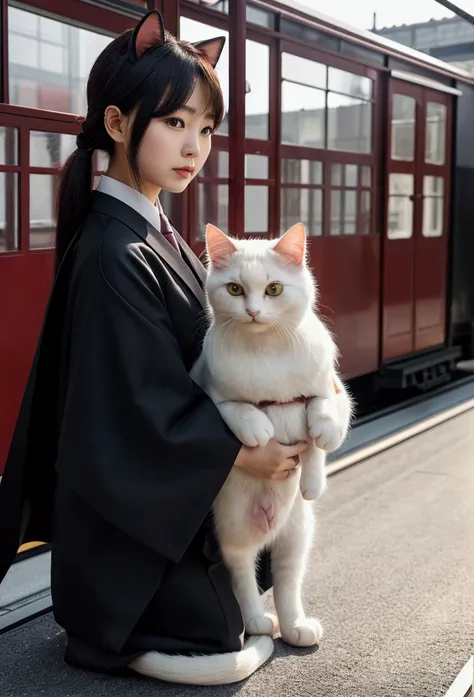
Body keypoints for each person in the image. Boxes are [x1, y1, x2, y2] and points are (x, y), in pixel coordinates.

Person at [0, 10, 307, 677]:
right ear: (117, 124)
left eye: (205, 127)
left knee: (239, 602)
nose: (194, 146)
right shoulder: (116, 249)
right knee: (221, 633)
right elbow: (141, 404)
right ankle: (118, 627)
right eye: (174, 123)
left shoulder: (147, 234)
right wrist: (244, 451)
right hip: (127, 540)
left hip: (158, 505)